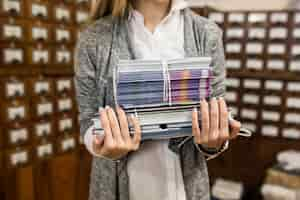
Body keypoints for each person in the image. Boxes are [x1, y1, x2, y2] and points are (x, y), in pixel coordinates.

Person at [74, 0, 242, 200]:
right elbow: (88, 121)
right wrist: (102, 145)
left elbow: (216, 110)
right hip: (120, 189)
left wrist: (212, 142)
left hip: (185, 191)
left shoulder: (207, 33)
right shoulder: (93, 38)